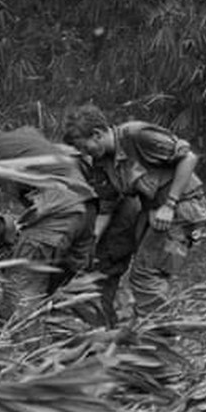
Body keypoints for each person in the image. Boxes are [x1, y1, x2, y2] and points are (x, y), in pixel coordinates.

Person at [0, 101, 97, 319]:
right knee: (47, 296)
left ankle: (33, 352)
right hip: (86, 210)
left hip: (57, 210)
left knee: (20, 295)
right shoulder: (29, 134)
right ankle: (97, 343)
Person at [61, 104, 206, 312]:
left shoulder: (136, 135)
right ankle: (145, 325)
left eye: (85, 147)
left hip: (183, 207)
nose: (85, 154)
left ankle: (160, 335)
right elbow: (106, 208)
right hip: (154, 211)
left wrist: (170, 204)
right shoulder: (102, 163)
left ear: (96, 134)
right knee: (137, 270)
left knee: (145, 275)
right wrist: (90, 241)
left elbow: (188, 158)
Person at [61, 125, 142, 327]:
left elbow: (106, 208)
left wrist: (90, 242)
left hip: (118, 232)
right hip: (105, 231)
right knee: (98, 285)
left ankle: (105, 339)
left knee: (100, 284)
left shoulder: (104, 164)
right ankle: (108, 333)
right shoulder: (96, 164)